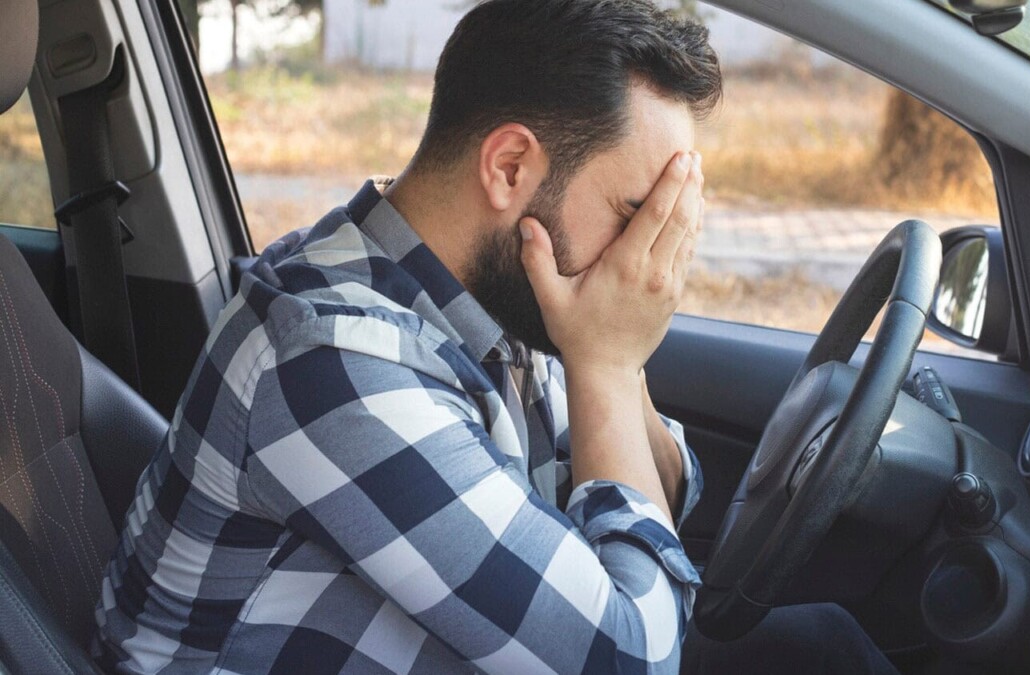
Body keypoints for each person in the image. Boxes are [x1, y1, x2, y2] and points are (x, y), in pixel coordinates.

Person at [92, 1, 898, 672]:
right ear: (510, 168)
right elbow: (631, 659)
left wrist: (615, 357)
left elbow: (669, 496)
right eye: (634, 214)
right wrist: (609, 366)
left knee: (826, 643)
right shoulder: (328, 357)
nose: (647, 261)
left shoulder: (489, 293)